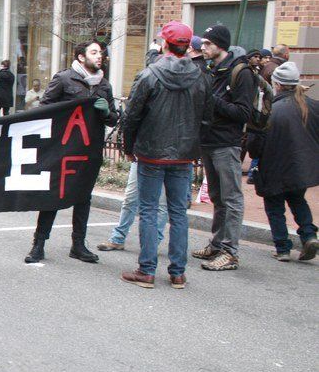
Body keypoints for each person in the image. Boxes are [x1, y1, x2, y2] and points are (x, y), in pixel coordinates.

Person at [119, 22, 213, 289]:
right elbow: (207, 119)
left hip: (152, 153)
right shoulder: (200, 77)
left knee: (149, 210)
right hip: (183, 155)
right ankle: (177, 273)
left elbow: (132, 116)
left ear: (166, 44)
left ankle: (147, 271)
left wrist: (128, 147)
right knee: (177, 213)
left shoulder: (150, 75)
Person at [25, 40, 118, 264]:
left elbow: (114, 118)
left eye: (101, 53)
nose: (99, 56)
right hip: (64, 150)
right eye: (94, 52)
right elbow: (45, 108)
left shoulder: (104, 84)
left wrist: (106, 112)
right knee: (54, 196)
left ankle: (78, 245)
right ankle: (38, 244)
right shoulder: (64, 78)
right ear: (80, 57)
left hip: (90, 151)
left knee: (83, 197)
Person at [192, 25, 256, 271]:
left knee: (231, 198)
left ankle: (230, 252)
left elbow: (242, 113)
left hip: (226, 143)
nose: (203, 47)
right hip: (208, 140)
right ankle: (217, 243)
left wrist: (212, 99)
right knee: (217, 197)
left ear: (220, 45)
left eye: (207, 44)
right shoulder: (211, 69)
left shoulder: (241, 72)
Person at [247, 62, 318, 262]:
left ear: (276, 84)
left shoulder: (272, 110)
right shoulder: (311, 106)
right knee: (298, 200)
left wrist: (255, 155)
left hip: (274, 167)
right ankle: (309, 235)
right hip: (301, 167)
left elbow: (255, 144)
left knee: (274, 206)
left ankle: (282, 247)